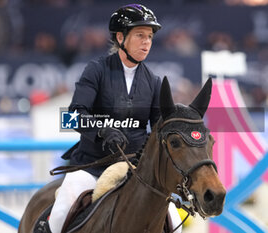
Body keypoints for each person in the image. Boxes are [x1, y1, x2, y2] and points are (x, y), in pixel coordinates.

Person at [48, 4, 182, 233]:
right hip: (92, 167)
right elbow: (72, 117)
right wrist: (101, 131)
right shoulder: (96, 70)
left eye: (149, 36)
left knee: (174, 222)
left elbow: (160, 130)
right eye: (140, 35)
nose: (146, 42)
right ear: (120, 37)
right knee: (60, 213)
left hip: (136, 172)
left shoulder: (154, 81)